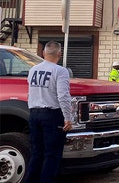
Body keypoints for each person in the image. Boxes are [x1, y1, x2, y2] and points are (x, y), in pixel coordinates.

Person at [25, 41, 72, 183]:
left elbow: (30, 93)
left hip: (34, 113)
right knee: (52, 154)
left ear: (43, 53)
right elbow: (63, 96)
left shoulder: (33, 70)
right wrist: (67, 118)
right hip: (52, 115)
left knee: (37, 153)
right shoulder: (60, 71)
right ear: (59, 54)